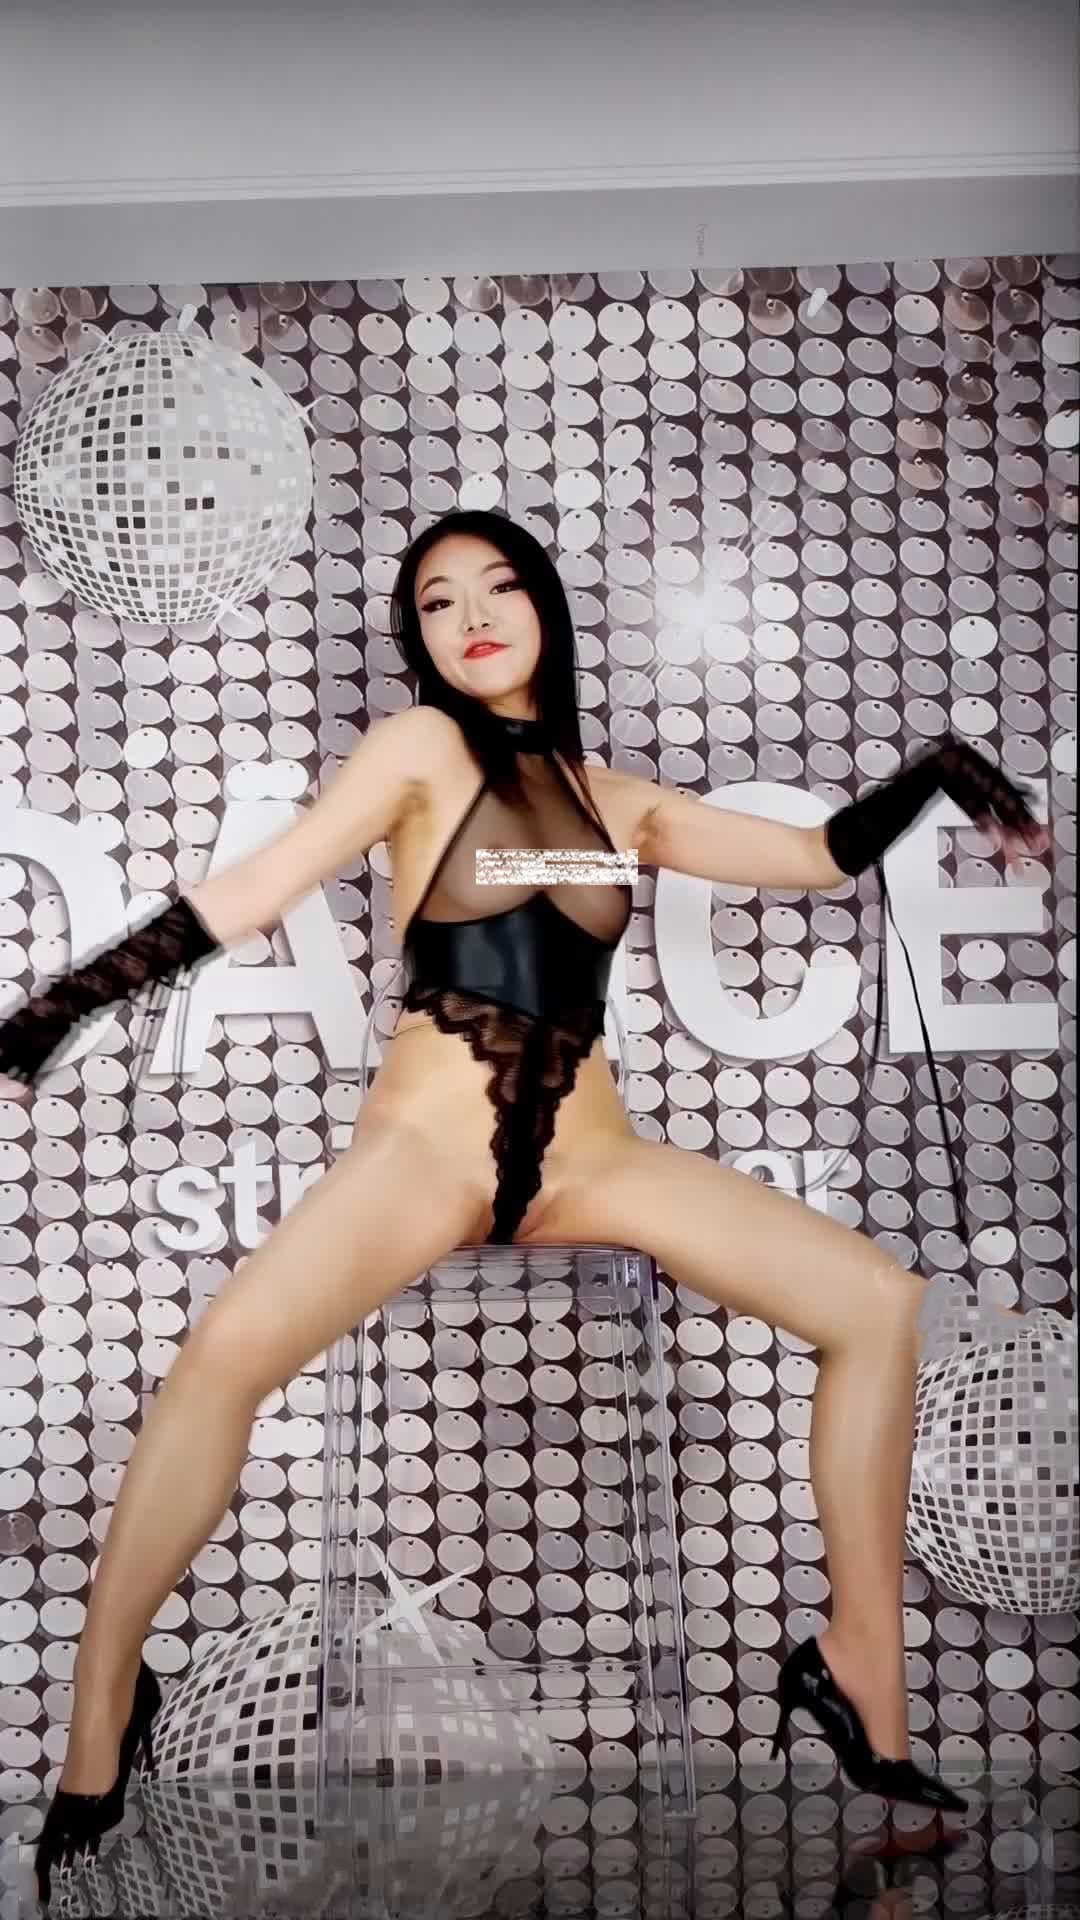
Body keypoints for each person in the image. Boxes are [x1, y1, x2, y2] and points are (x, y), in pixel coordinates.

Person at [0, 509, 1049, 1906]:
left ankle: (858, 1669)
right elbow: (255, 888)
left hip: (591, 1160)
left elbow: (819, 856)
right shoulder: (419, 751)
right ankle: (100, 1716)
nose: (474, 617)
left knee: (876, 1306)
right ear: (417, 641)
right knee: (222, 1360)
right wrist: (64, 1006)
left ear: (545, 605)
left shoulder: (622, 800)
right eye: (439, 602)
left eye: (498, 586)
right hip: (426, 1154)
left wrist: (940, 773)